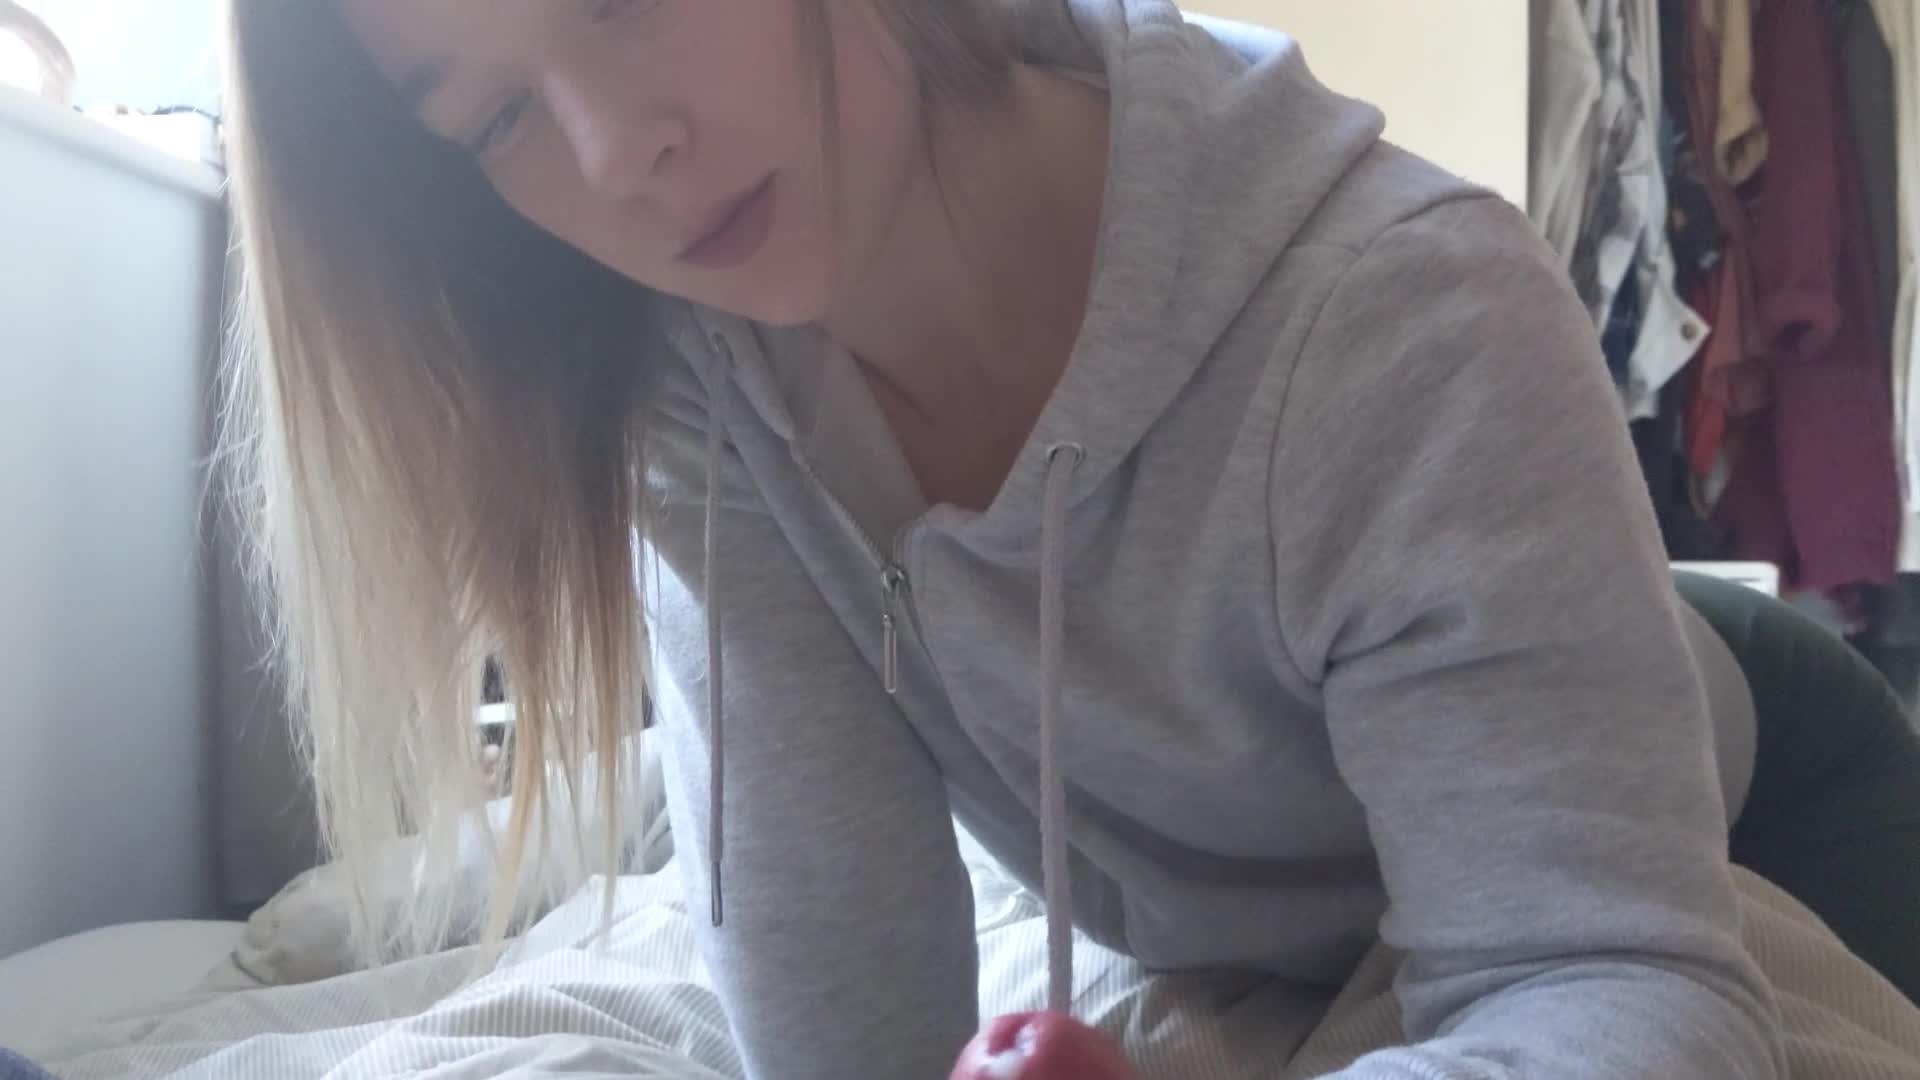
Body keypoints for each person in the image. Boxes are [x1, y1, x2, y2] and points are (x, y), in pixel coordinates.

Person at [220, 1, 1807, 1077]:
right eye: (496, 115)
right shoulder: (701, 396)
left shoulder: (1412, 320)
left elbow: (1615, 979)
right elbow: (846, 1023)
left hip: (1757, 733)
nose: (610, 151)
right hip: (1194, 855)